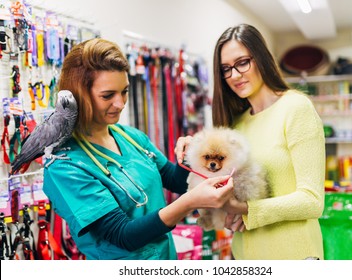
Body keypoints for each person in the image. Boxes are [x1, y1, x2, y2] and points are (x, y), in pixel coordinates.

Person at [43, 38, 234, 260]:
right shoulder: (65, 165)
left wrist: (192, 154)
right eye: (108, 95)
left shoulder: (130, 136)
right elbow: (123, 235)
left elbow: (176, 181)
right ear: (78, 94)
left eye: (124, 91)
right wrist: (189, 203)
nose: (120, 103)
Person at [211, 23, 326, 260]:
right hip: (246, 257)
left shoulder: (295, 108)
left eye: (242, 62)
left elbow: (312, 201)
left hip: (293, 256)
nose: (234, 75)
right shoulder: (237, 125)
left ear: (261, 57)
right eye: (225, 69)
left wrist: (247, 211)